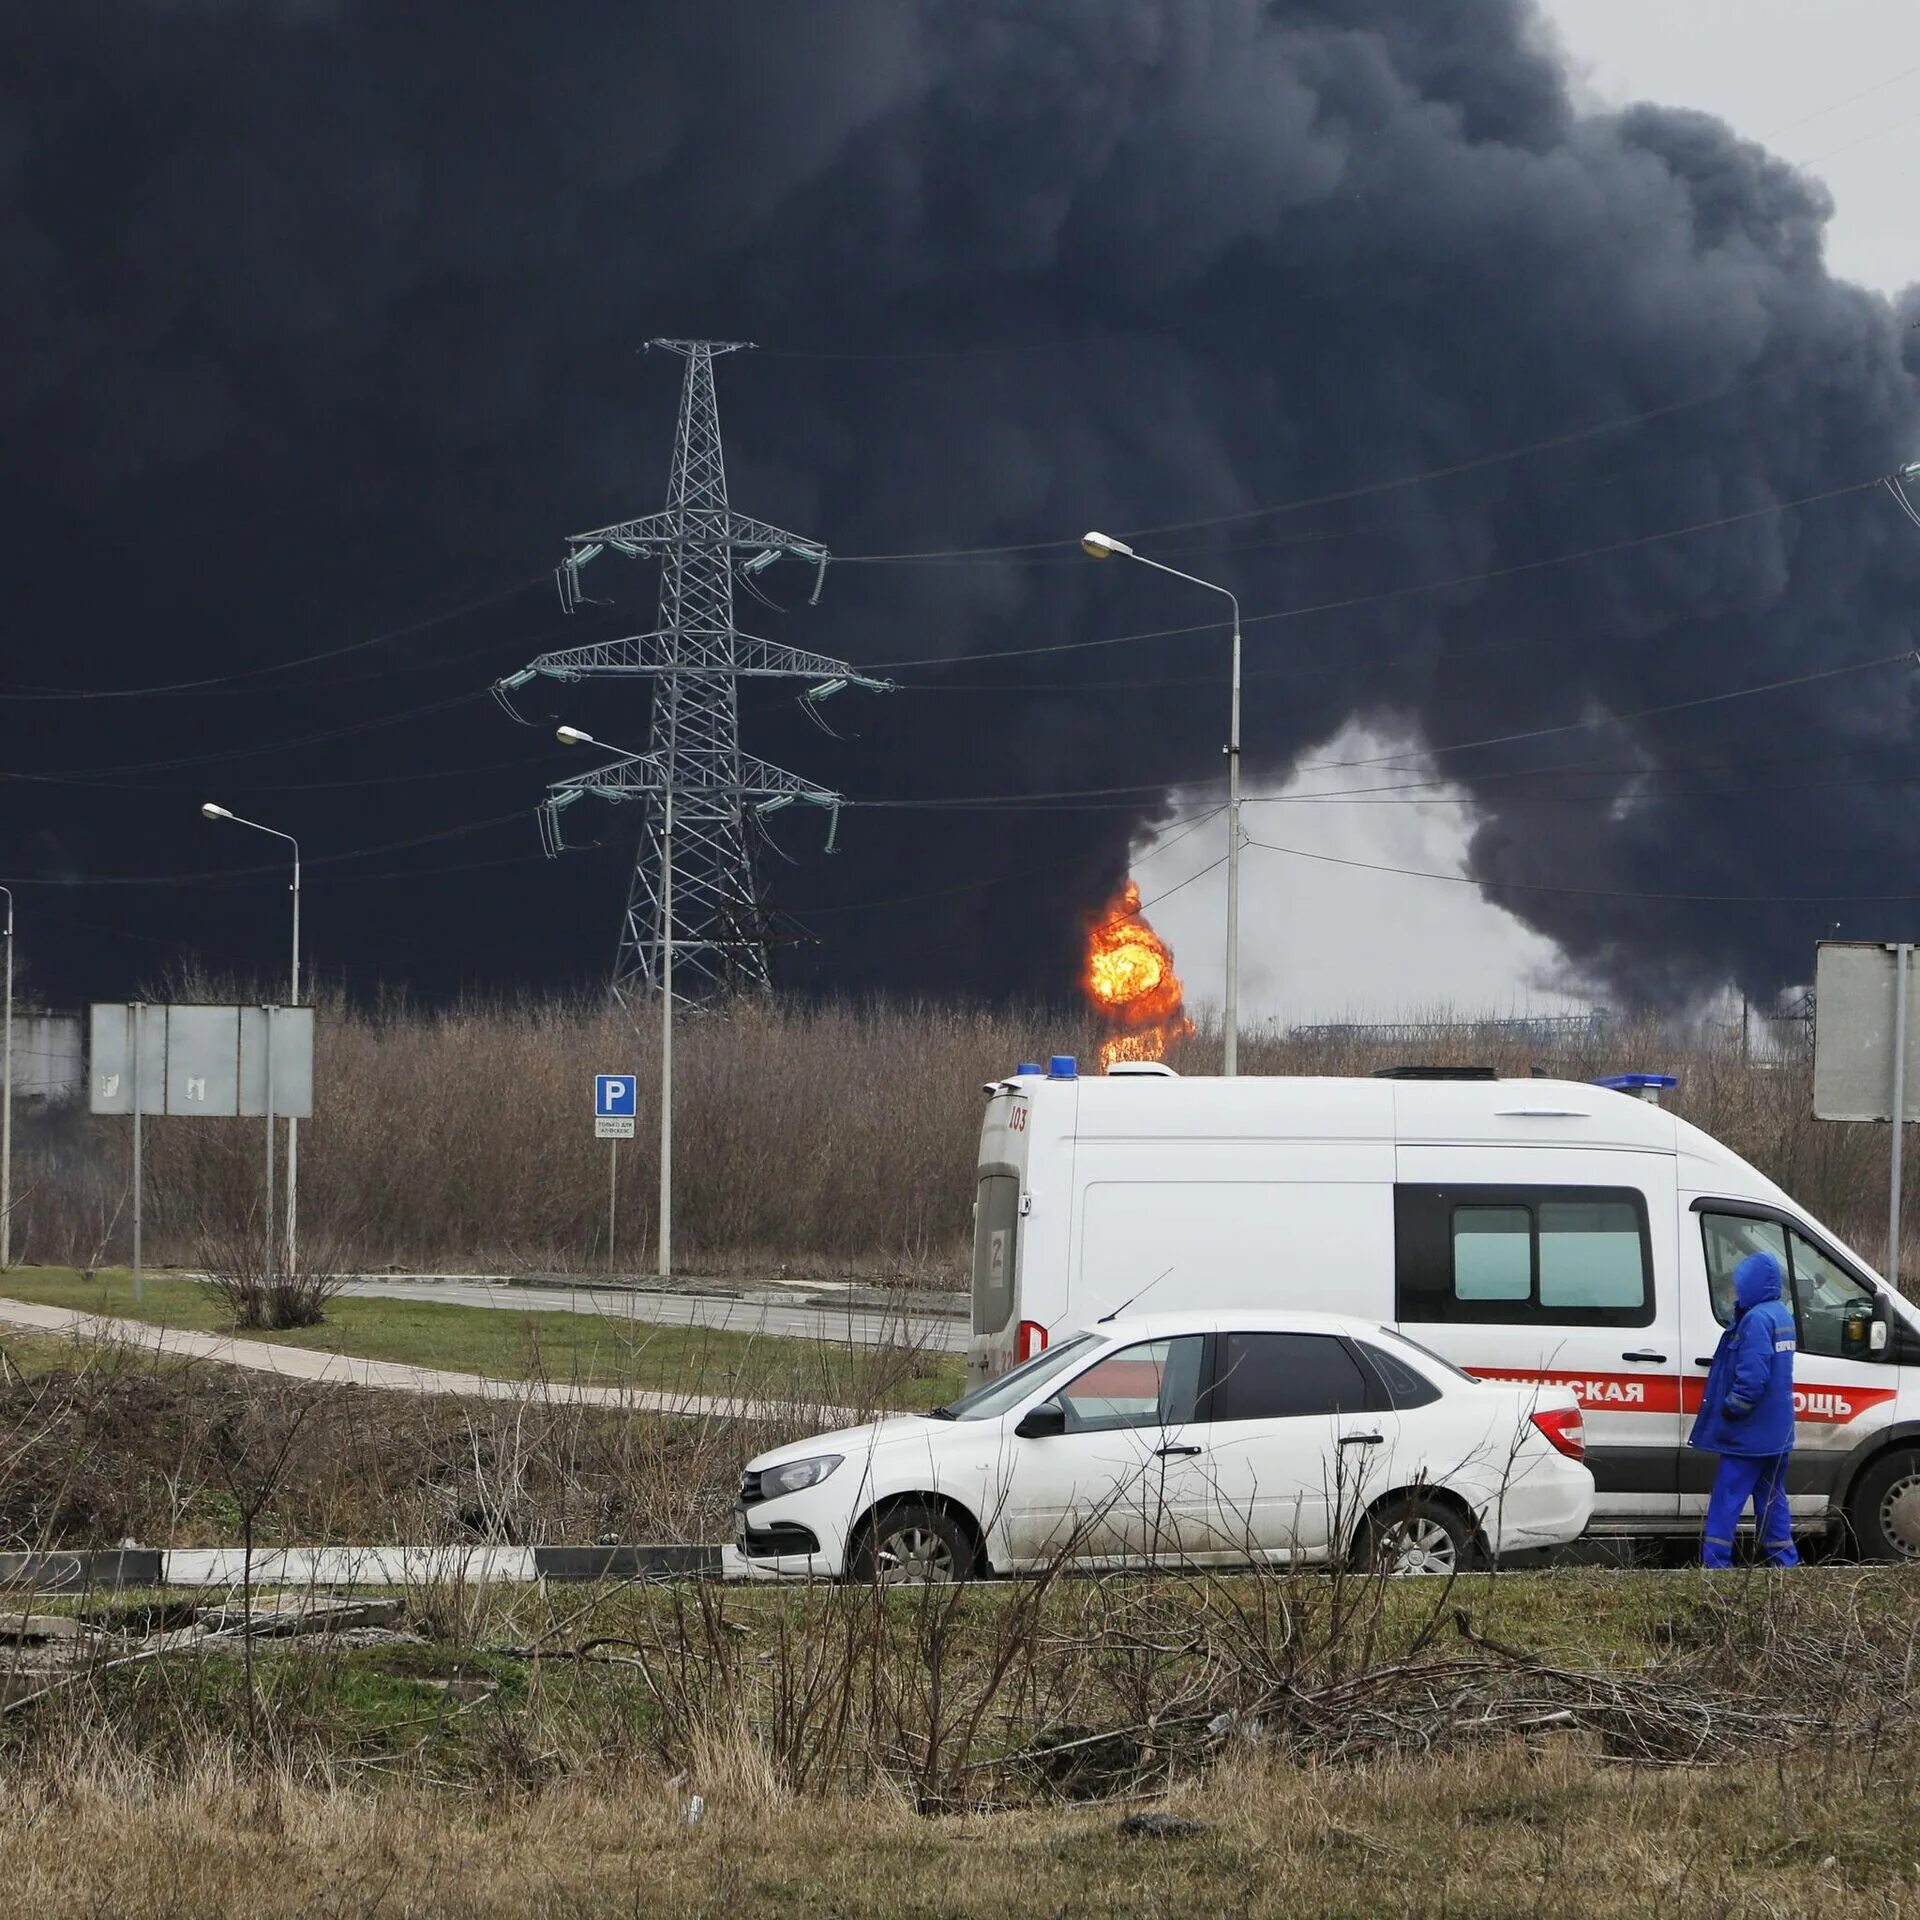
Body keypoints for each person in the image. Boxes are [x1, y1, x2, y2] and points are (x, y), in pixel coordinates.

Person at [1689, 1249, 1799, 1569]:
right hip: (1777, 1433)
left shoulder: (1755, 1320)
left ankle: (1716, 1564)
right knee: (1772, 1499)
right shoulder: (1781, 1315)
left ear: (1754, 1284)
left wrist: (1732, 1408)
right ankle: (1784, 1562)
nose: (1736, 1291)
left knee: (1727, 1497)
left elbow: (1753, 1377)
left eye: (1740, 1285)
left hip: (1750, 1434)